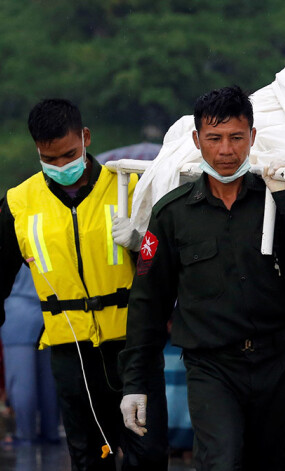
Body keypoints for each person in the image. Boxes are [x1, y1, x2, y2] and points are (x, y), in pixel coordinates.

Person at [118, 86, 285, 471]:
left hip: (276, 362)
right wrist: (134, 382)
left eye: (236, 138)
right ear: (197, 140)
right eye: (214, 139)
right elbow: (148, 302)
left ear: (252, 137)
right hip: (211, 367)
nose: (226, 151)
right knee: (222, 461)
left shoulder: (280, 196)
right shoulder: (174, 212)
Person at [0, 99, 169, 471]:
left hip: (132, 347)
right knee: (90, 458)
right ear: (37, 151)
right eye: (50, 159)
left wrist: (142, 241)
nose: (62, 166)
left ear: (86, 137)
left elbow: (169, 261)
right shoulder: (18, 204)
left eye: (69, 154)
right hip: (70, 353)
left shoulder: (131, 187)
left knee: (148, 454)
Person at [1, 264, 60, 445]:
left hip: (17, 316)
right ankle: (51, 432)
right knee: (49, 382)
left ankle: (25, 434)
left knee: (21, 383)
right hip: (50, 314)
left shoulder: (8, 240)